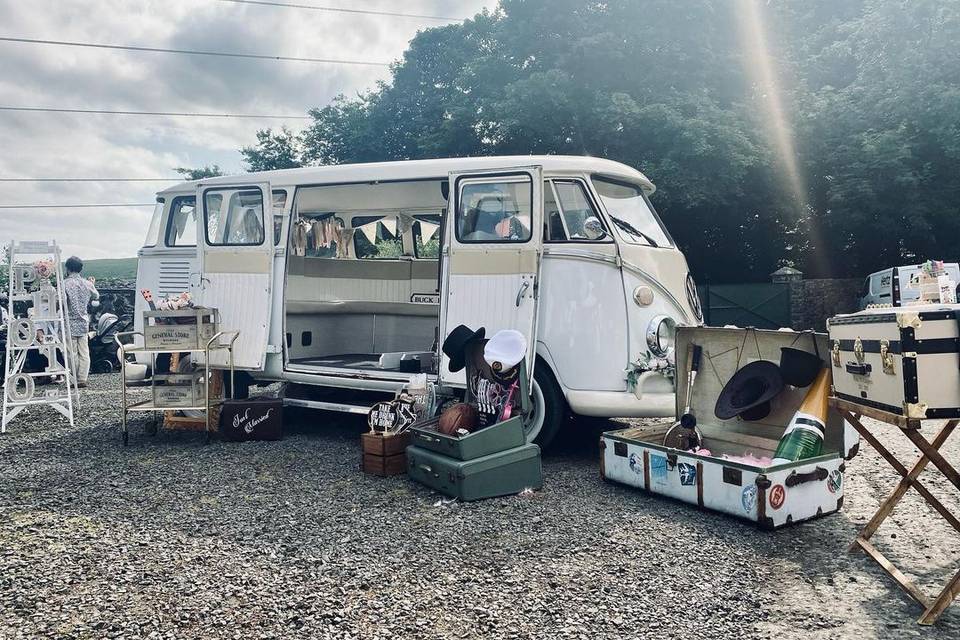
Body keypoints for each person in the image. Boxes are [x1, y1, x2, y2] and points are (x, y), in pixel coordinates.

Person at [62, 256, 99, 388]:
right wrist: (92, 284)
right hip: (83, 320)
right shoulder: (87, 284)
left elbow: (61, 302)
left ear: (68, 268)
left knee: (71, 352)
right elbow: (96, 296)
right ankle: (83, 377)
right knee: (84, 351)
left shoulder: (64, 284)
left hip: (69, 321)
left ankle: (74, 378)